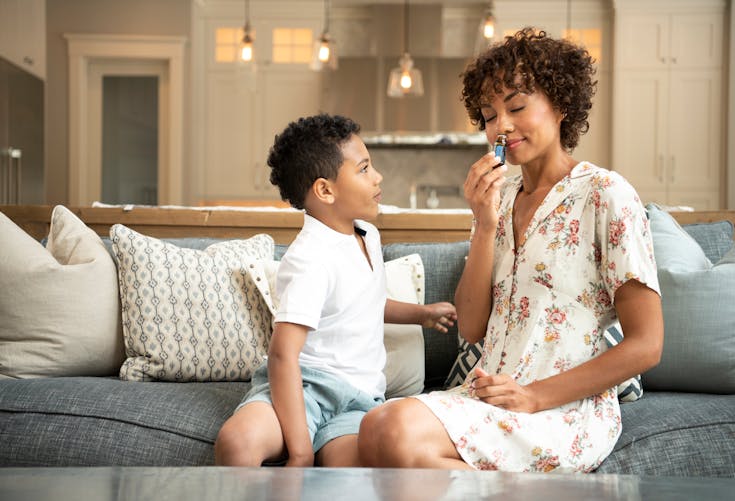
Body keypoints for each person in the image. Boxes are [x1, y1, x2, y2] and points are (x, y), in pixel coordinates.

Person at [358, 28, 664, 472]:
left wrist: (535, 395)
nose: (500, 126)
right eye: (488, 115)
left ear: (561, 104)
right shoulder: (500, 200)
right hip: (489, 397)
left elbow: (647, 344)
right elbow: (473, 326)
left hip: (560, 410)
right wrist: (484, 225)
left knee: (392, 431)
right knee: (376, 434)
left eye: (517, 107)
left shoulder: (605, 194)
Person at [214, 114, 457, 467]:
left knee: (355, 473)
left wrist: (422, 314)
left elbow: (363, 302)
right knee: (238, 443)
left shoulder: (366, 235)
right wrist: (300, 453)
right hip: (304, 390)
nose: (378, 177)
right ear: (325, 190)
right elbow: (283, 355)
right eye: (364, 169)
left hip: (358, 400)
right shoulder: (310, 258)